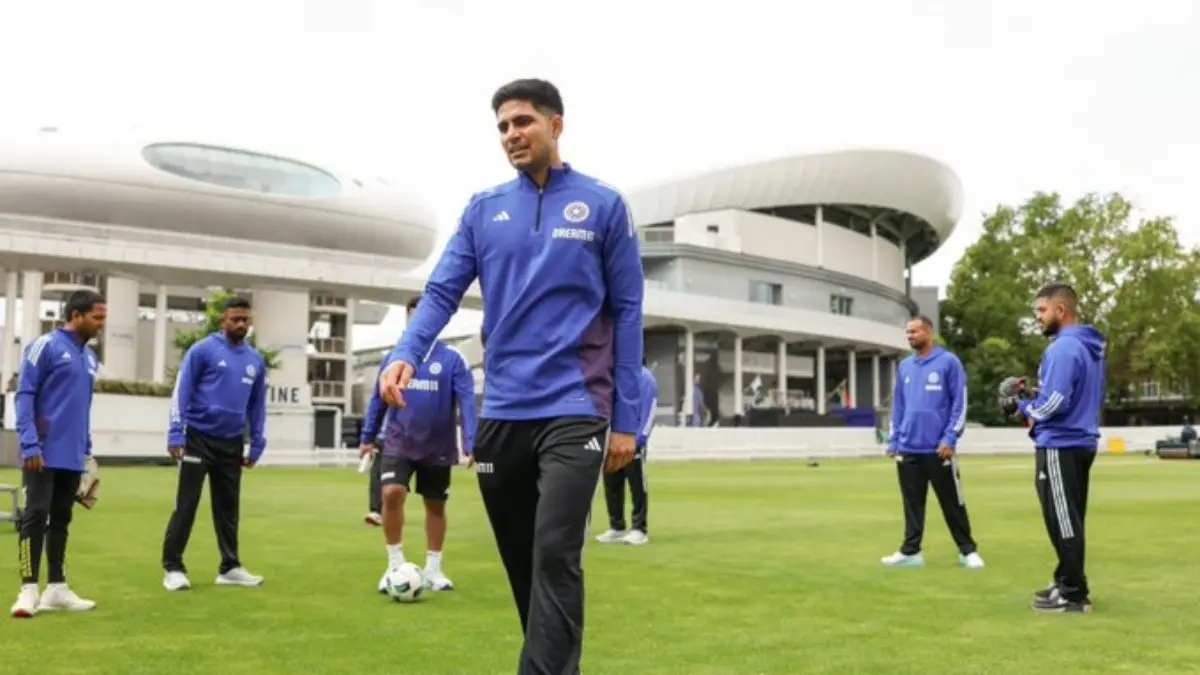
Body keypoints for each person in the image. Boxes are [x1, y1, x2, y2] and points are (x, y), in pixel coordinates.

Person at [378, 78, 643, 673]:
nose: (511, 135)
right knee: (524, 565)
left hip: (575, 407)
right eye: (502, 126)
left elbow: (628, 312)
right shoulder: (483, 208)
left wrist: (626, 420)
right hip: (502, 412)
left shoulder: (603, 204)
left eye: (522, 121)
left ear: (556, 125)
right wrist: (406, 352)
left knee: (556, 551)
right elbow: (443, 290)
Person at [360, 294, 477, 593]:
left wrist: (471, 441)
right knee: (392, 493)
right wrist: (367, 437)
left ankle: (434, 569)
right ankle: (394, 565)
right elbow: (377, 400)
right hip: (399, 442)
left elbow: (467, 403)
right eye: (415, 315)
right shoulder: (394, 358)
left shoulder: (452, 359)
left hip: (437, 446)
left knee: (435, 504)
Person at [1005, 283, 1105, 613]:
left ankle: (1074, 593)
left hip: (1062, 443)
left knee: (1062, 519)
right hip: (1076, 440)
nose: (1037, 317)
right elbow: (1062, 395)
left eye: (1041, 310)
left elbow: (1057, 402)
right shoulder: (1086, 347)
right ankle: (1066, 579)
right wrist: (1033, 399)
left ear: (1060, 311)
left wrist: (1023, 408)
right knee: (1067, 517)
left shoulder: (1064, 348)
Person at [160, 296, 268, 591]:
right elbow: (181, 391)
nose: (241, 324)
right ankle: (173, 567)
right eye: (235, 319)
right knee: (187, 504)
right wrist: (175, 432)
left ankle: (230, 567)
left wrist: (257, 443)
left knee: (228, 507)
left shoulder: (255, 361)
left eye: (245, 320)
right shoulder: (203, 351)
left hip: (231, 443)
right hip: (197, 438)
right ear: (223, 321)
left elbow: (257, 406)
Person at [11, 290, 106, 618]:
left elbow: (82, 406)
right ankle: (27, 590)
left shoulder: (89, 358)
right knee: (34, 516)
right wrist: (29, 443)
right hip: (42, 451)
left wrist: (87, 451)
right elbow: (24, 394)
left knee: (61, 520)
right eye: (97, 317)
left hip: (72, 453)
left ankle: (56, 588)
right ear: (77, 315)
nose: (101, 325)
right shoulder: (44, 346)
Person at [881, 316, 983, 570]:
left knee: (952, 503)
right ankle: (910, 551)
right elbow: (899, 406)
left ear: (928, 332)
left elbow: (960, 402)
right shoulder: (904, 366)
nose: (909, 336)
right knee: (912, 504)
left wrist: (950, 437)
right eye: (907, 332)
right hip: (908, 448)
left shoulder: (949, 362)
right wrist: (894, 440)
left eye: (914, 331)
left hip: (939, 449)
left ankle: (967, 551)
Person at [597, 361, 657, 546]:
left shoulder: (645, 378)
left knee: (637, 484)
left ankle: (639, 529)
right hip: (613, 439)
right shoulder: (615, 376)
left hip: (633, 439)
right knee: (612, 483)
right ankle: (617, 526)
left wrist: (640, 438)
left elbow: (650, 409)